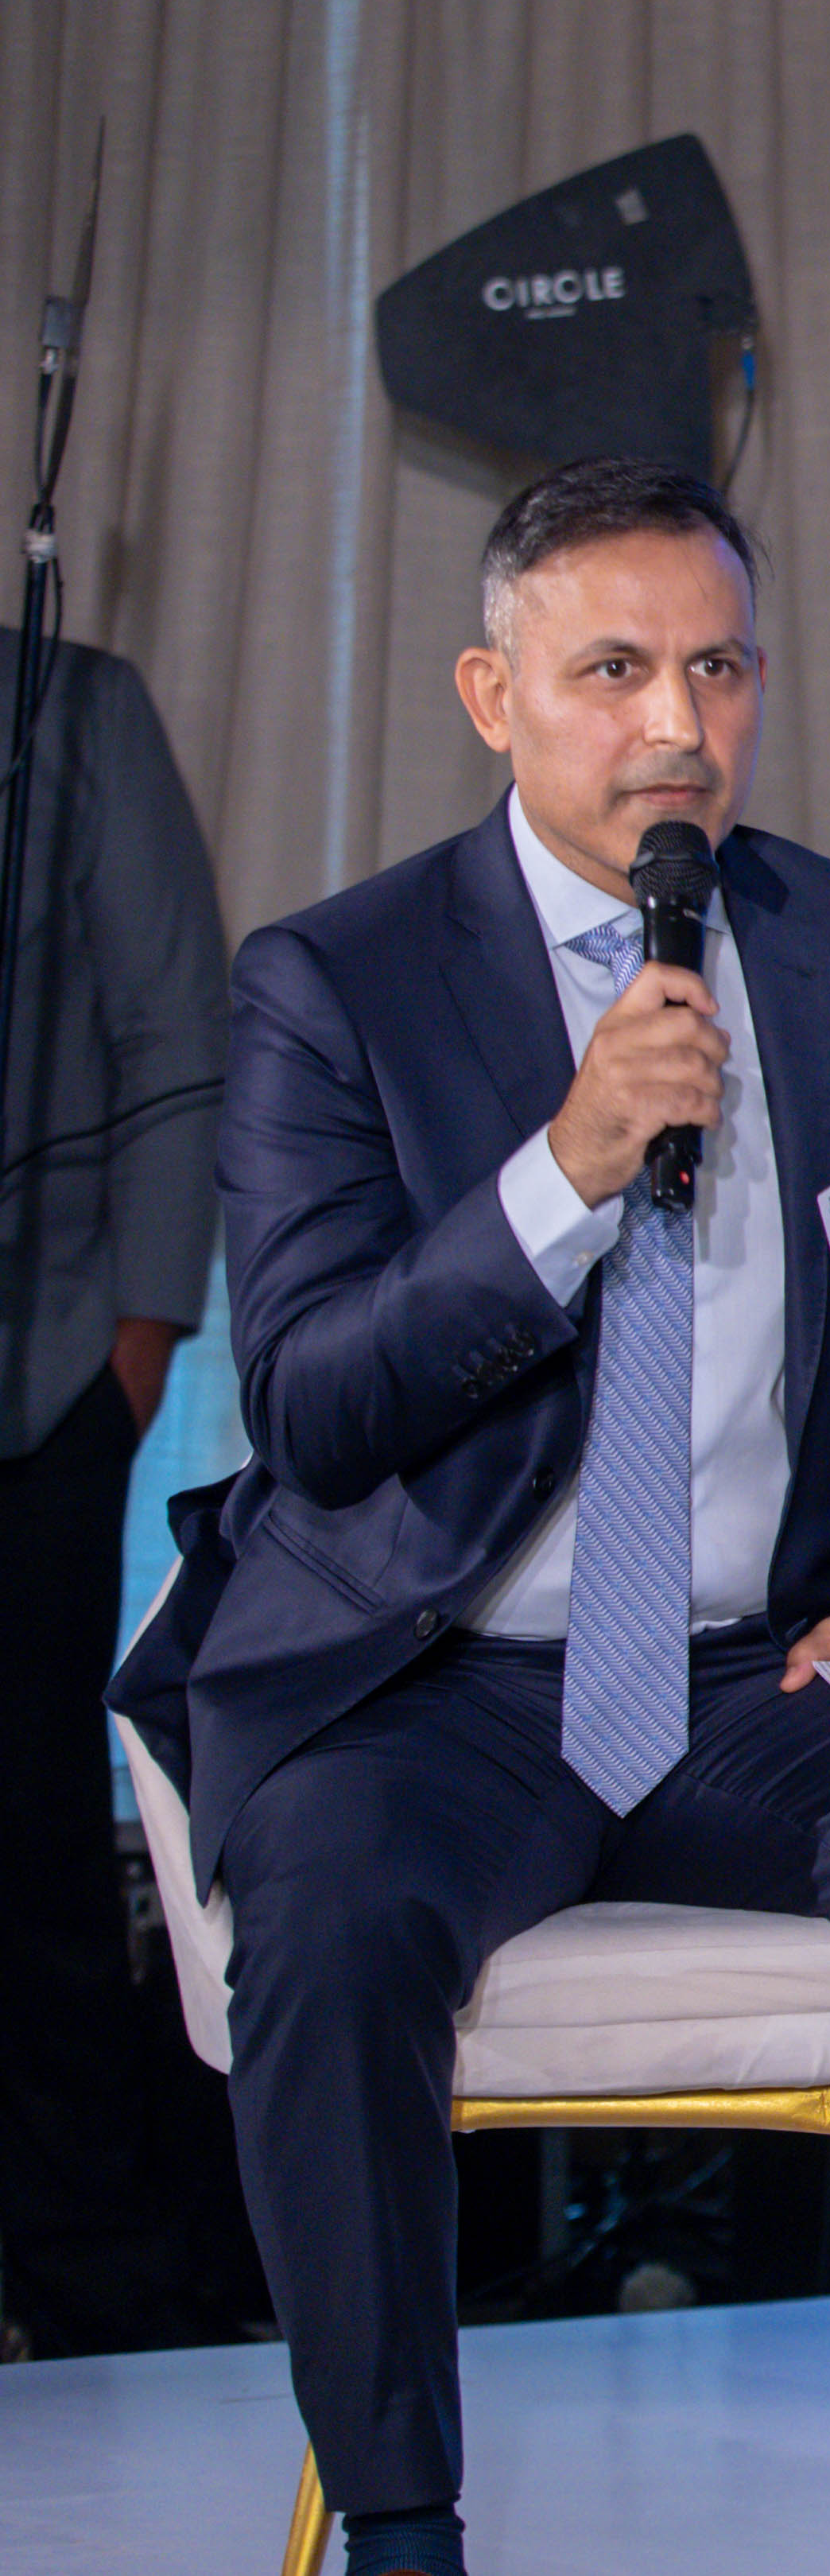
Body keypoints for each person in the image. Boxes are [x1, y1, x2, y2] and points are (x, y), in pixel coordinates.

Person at [107, 460, 830, 2576]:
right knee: (328, 1921)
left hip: (765, 1671)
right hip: (437, 1680)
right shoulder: (337, 980)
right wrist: (562, 1172)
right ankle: (402, 2525)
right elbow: (313, 1401)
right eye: (614, 669)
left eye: (719, 667)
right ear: (494, 695)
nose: (678, 722)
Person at [0, 630, 227, 2356]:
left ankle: (91, 2293)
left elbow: (173, 1033)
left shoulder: (70, 710)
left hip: (41, 1376)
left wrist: (136, 1346)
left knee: (30, 1861)